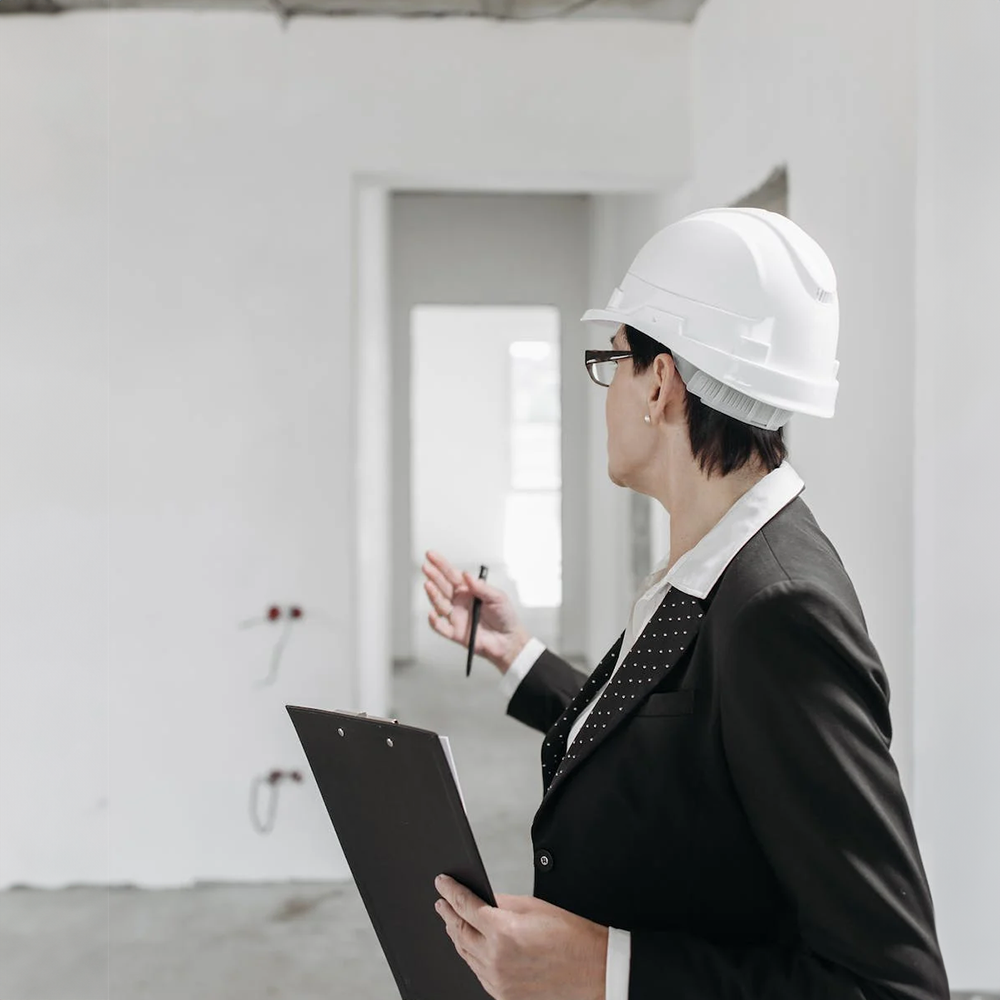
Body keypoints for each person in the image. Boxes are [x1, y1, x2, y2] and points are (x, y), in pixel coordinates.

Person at [423, 208, 949, 1000]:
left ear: (661, 381)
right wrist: (518, 654)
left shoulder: (780, 610)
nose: (606, 390)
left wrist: (606, 972)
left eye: (613, 362)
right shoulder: (717, 559)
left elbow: (891, 987)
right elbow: (689, 743)